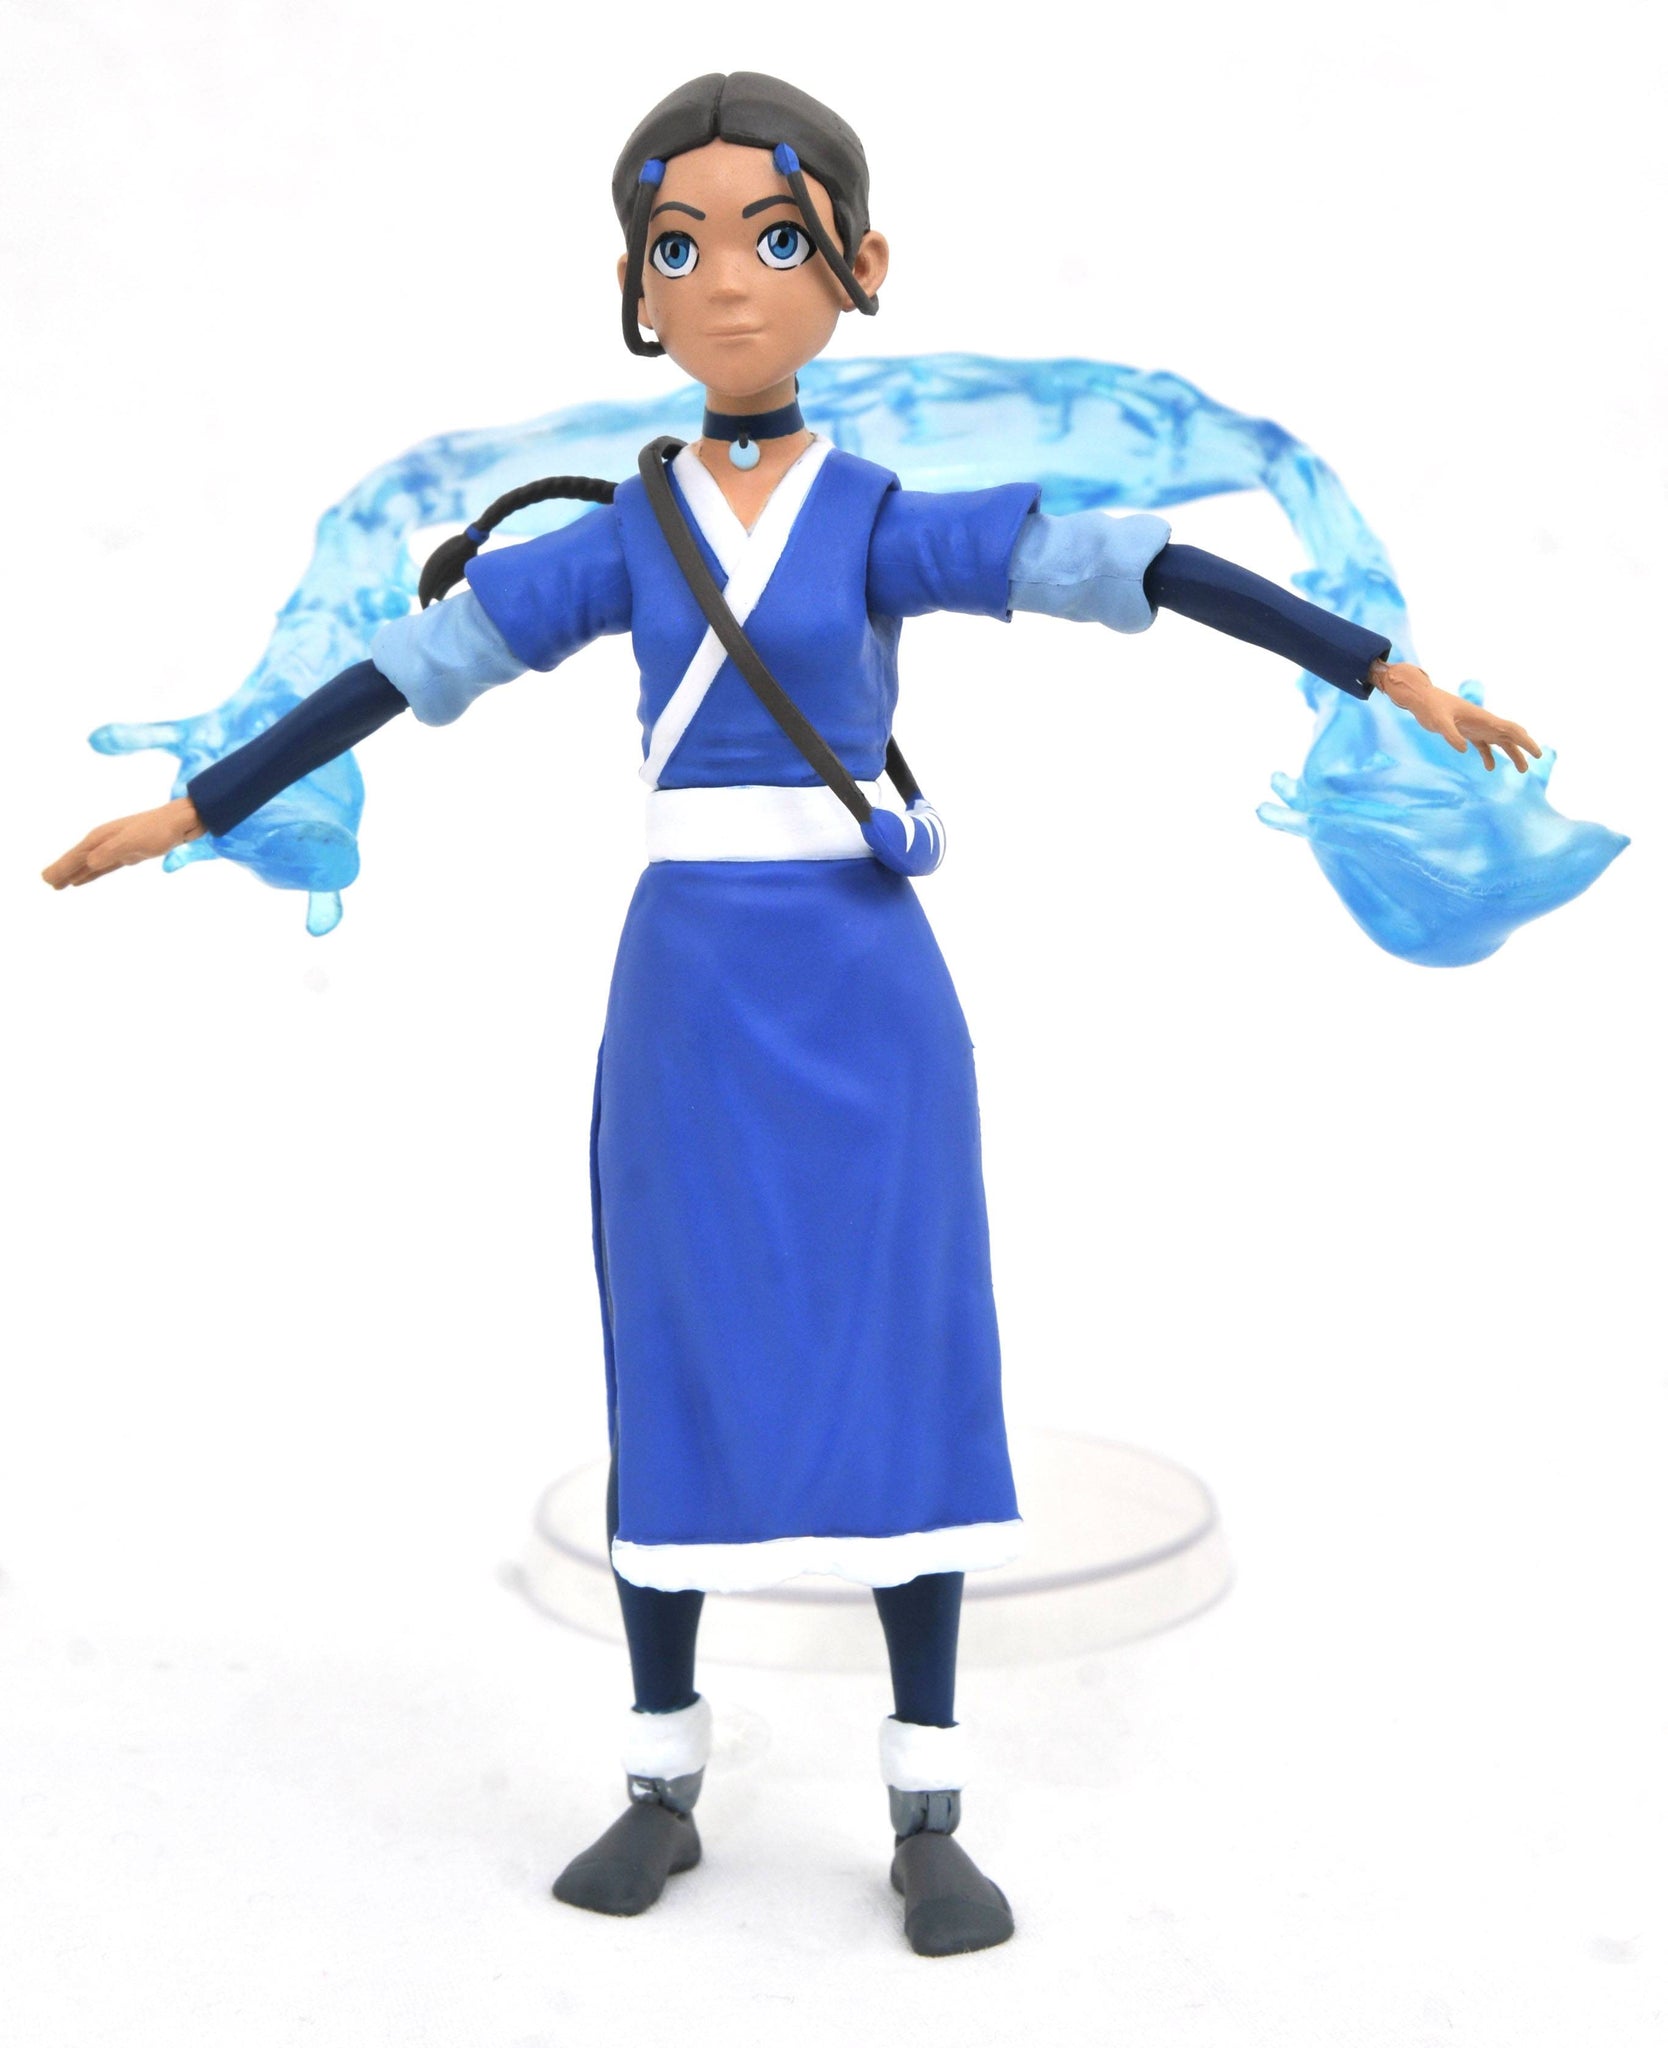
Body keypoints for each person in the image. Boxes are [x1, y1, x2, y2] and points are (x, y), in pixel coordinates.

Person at [42, 71, 1540, 1958]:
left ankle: (928, 1804)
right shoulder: (625, 538)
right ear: (632, 287)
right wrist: (197, 810)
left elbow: (1130, 565)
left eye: (773, 237)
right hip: (687, 990)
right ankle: (660, 1774)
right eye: (681, 248)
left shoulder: (881, 519)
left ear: (859, 264)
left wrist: (1384, 669)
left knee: (909, 1350)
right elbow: (411, 669)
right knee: (677, 1350)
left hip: (866, 990)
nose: (730, 283)